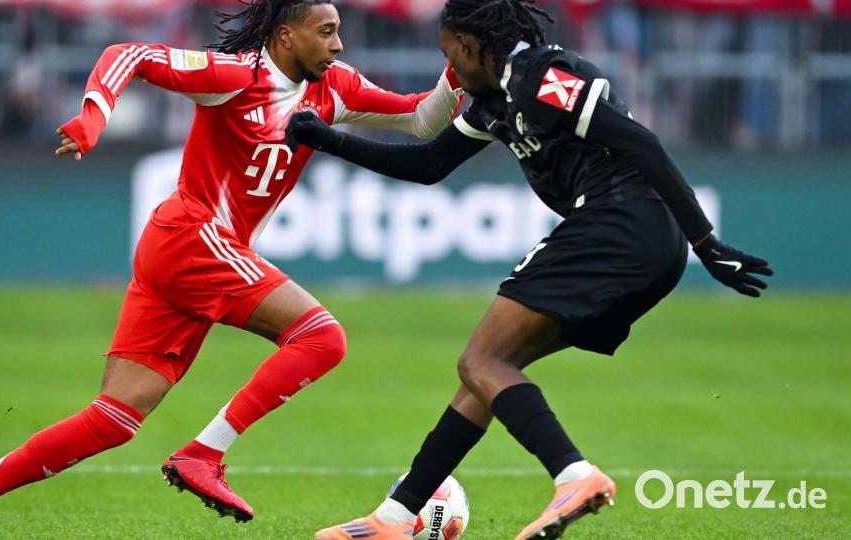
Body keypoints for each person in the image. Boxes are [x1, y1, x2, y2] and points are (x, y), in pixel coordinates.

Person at [0, 1, 465, 538]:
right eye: (325, 31)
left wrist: (460, 59)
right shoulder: (235, 77)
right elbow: (126, 52)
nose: (338, 44)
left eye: (339, 31)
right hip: (193, 238)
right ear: (284, 36)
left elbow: (421, 117)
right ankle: (203, 454)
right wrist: (93, 115)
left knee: (114, 418)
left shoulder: (334, 87)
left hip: (186, 252)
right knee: (322, 339)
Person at [284, 1, 773, 538]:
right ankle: (394, 519)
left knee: (482, 359)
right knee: (489, 373)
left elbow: (642, 142)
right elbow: (427, 166)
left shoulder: (542, 75)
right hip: (635, 240)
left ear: (470, 46)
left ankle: (574, 476)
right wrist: (331, 141)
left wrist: (706, 242)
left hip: (621, 223)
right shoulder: (492, 102)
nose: (451, 71)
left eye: (451, 55)